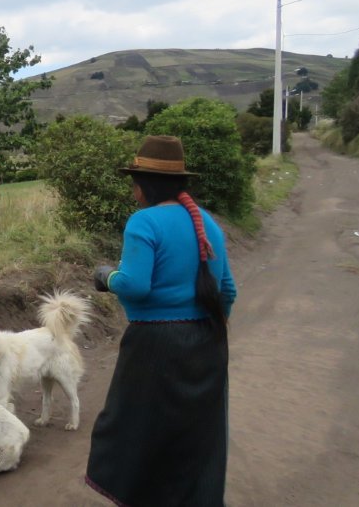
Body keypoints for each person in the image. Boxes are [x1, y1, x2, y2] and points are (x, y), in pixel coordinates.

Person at [85, 135, 237, 506]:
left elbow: (135, 286)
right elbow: (228, 290)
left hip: (155, 348)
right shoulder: (208, 225)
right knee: (196, 438)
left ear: (144, 185)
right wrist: (209, 329)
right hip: (207, 342)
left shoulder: (144, 222)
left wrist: (106, 277)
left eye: (135, 180)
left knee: (135, 431)